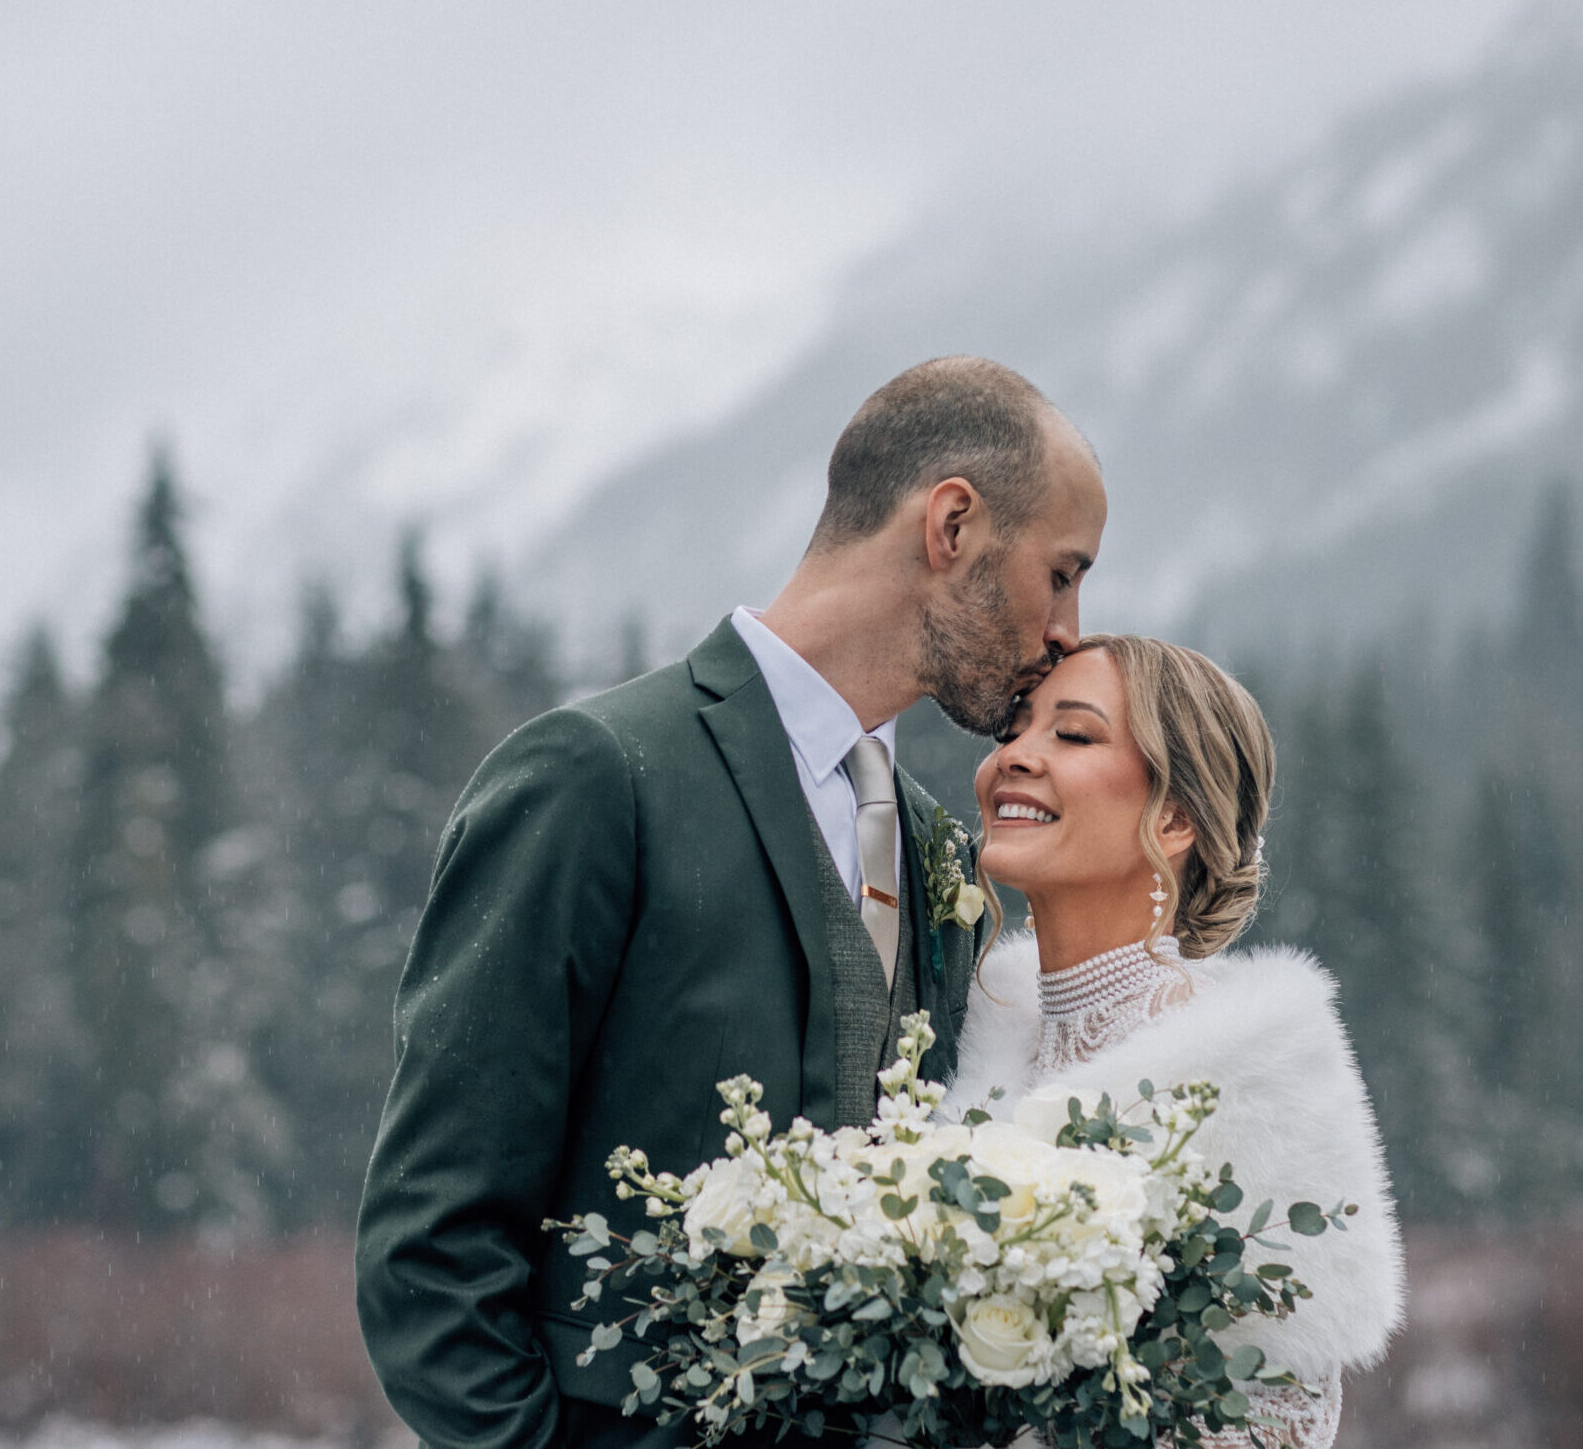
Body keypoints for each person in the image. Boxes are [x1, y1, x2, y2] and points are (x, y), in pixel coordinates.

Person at [355, 356, 1110, 1448]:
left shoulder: (946, 855)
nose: (1068, 633)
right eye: (1063, 573)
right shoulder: (596, 777)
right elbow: (433, 1252)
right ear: (952, 525)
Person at [948, 635, 1405, 1448]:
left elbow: (1276, 1420)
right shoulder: (971, 1030)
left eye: (1072, 734)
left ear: (1174, 816)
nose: (1015, 755)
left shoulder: (1244, 1078)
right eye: (1014, 729)